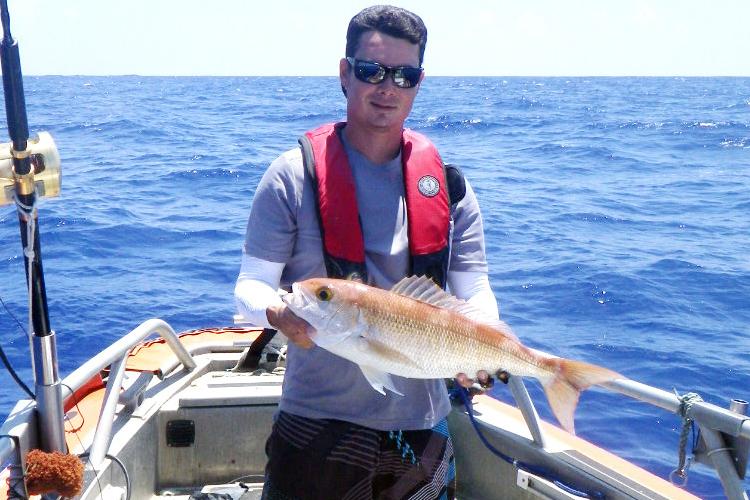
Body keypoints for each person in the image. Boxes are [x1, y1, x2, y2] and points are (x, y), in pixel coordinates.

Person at [235, 5, 499, 499]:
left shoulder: (450, 188)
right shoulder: (291, 177)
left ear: (419, 81)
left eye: (405, 75)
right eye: (371, 71)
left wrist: (484, 346)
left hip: (424, 428)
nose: (387, 87)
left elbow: (475, 290)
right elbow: (250, 284)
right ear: (344, 72)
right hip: (315, 424)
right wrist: (274, 311)